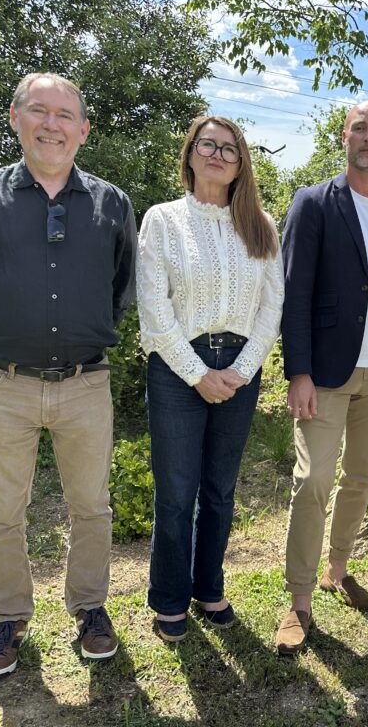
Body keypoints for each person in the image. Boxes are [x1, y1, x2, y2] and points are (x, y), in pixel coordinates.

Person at [0, 73, 136, 678]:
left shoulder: (112, 204)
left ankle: (90, 609)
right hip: (4, 385)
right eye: (39, 111)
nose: (52, 124)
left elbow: (123, 286)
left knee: (91, 507)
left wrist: (87, 330)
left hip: (85, 384)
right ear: (15, 117)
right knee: (1, 512)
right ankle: (10, 617)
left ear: (83, 130)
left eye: (65, 115)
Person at [275, 100, 368, 654]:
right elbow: (294, 291)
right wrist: (298, 371)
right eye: (359, 127)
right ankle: (298, 600)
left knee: (359, 478)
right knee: (313, 479)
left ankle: (337, 570)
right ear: (344, 136)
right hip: (325, 373)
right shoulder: (313, 203)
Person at [137, 115, 283, 641]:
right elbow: (153, 308)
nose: (218, 155)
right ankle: (170, 598)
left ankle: (208, 587)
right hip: (177, 368)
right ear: (190, 154)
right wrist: (198, 374)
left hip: (240, 367)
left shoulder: (261, 226)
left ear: (241, 164)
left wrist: (242, 370)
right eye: (208, 145)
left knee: (220, 489)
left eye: (229, 148)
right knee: (177, 491)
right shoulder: (163, 220)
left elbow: (272, 305)